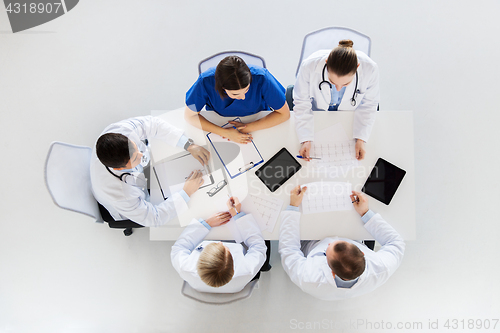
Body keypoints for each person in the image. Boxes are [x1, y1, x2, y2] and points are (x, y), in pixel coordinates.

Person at [279, 186, 405, 300]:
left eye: (328, 249)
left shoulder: (308, 277)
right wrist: (365, 213)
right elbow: (396, 242)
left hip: (312, 241)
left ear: (331, 271)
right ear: (362, 252)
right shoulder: (381, 267)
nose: (330, 242)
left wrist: (293, 207)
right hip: (351, 233)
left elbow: (289, 250)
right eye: (339, 242)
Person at [90, 116, 210, 229]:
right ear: (119, 169)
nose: (141, 155)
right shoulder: (121, 195)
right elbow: (154, 218)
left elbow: (153, 124)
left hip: (143, 176)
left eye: (136, 148)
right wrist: (186, 193)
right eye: (135, 158)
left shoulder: (120, 131)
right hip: (125, 207)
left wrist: (187, 144)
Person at [294, 39, 380, 161]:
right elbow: (301, 102)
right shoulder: (309, 65)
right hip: (318, 116)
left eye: (346, 84)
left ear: (357, 67)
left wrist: (361, 139)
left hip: (349, 119)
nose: (338, 88)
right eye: (332, 82)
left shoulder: (370, 69)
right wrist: (305, 139)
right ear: (326, 62)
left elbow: (369, 105)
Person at [184, 55, 290, 144]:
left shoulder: (262, 77)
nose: (243, 97)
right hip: (218, 122)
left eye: (247, 90)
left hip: (259, 121)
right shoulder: (205, 81)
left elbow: (284, 114)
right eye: (235, 94)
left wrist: (245, 128)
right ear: (222, 87)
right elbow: (190, 116)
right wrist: (225, 133)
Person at [171, 197, 268, 293]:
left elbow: (179, 247)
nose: (220, 242)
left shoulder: (185, 267)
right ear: (233, 262)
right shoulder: (246, 270)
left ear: (200, 258)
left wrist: (206, 223)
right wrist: (239, 216)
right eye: (225, 248)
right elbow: (258, 247)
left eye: (215, 244)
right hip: (234, 287)